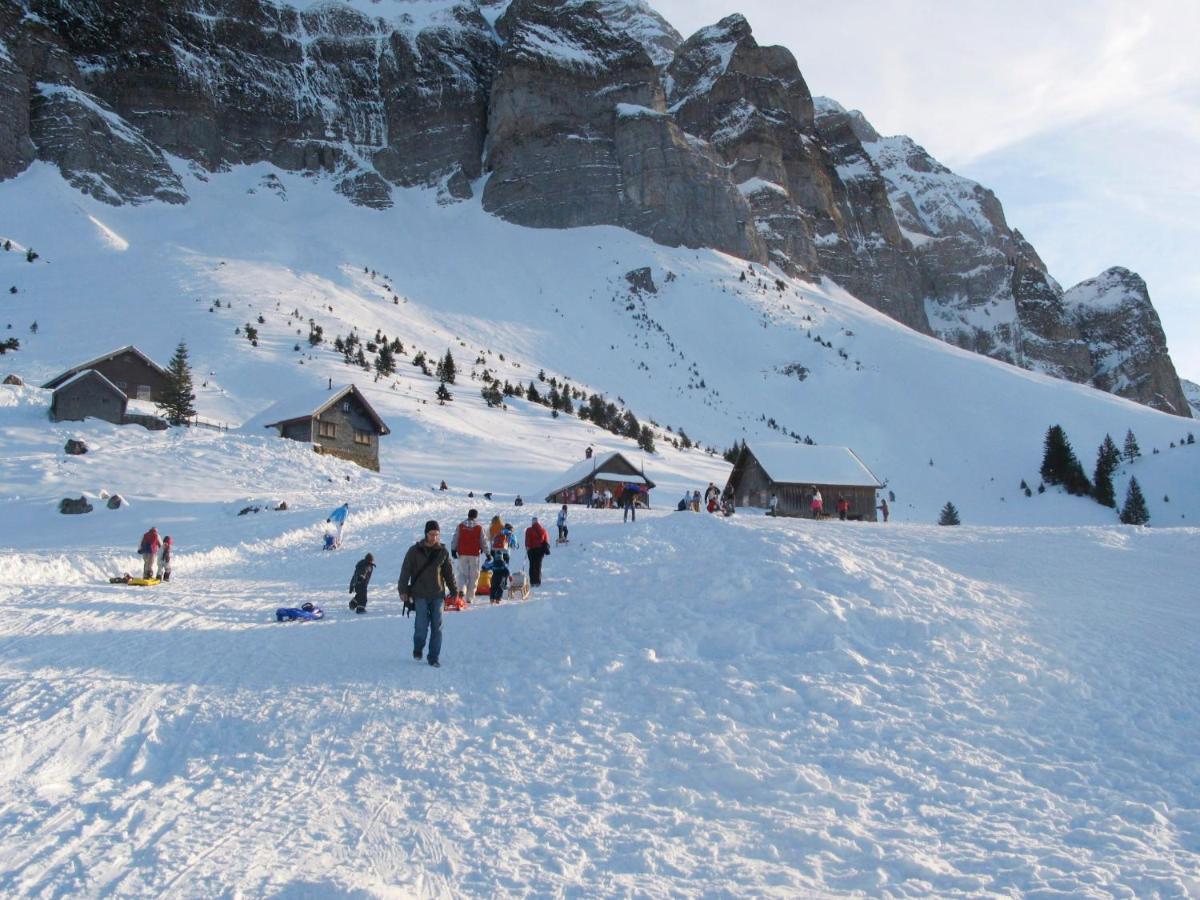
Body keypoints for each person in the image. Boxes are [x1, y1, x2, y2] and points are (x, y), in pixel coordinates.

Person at [398, 521, 457, 668]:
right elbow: (405, 571)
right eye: (432, 534)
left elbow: (448, 574)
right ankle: (418, 647)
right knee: (421, 625)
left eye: (437, 535)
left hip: (437, 594)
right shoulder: (414, 551)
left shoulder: (442, 552)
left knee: (437, 627)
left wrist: (454, 590)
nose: (434, 538)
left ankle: (433, 657)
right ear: (426, 534)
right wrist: (403, 590)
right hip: (420, 594)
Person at [450, 509, 486, 605]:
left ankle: (461, 590)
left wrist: (453, 549)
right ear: (476, 516)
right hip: (474, 554)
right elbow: (483, 541)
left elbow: (455, 538)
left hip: (462, 554)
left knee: (462, 573)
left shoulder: (461, 526)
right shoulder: (479, 527)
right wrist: (487, 553)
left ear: (468, 515)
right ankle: (470, 597)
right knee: (474, 576)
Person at [525, 516, 550, 586]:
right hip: (540, 550)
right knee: (538, 566)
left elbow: (527, 540)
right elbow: (547, 541)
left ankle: (532, 582)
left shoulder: (529, 530)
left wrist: (527, 547)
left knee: (532, 565)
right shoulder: (543, 530)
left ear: (532, 522)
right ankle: (538, 581)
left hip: (531, 550)